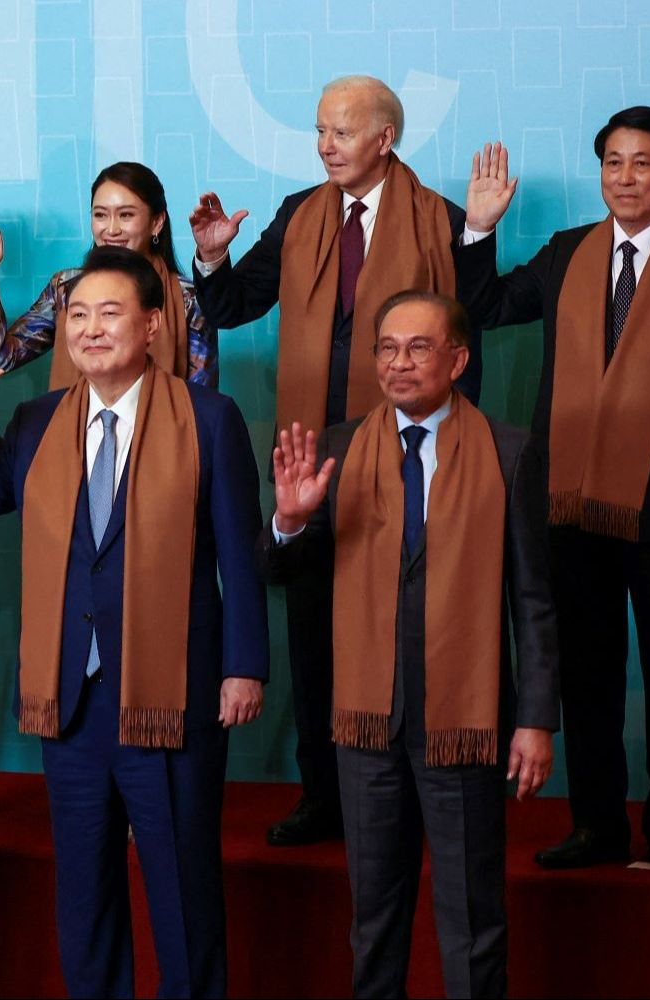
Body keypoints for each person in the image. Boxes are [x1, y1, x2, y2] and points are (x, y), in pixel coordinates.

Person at [0, 246, 268, 998]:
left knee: (182, 895)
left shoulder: (209, 419)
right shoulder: (34, 420)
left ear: (152, 325)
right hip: (72, 702)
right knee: (84, 898)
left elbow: (241, 557)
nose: (89, 330)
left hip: (171, 695)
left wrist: (244, 664)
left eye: (109, 314)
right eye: (77, 315)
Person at [187, 75, 472, 847]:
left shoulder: (442, 220)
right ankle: (323, 796)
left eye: (341, 132)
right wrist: (213, 262)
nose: (325, 146)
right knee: (313, 628)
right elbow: (235, 304)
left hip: (403, 454)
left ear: (386, 138)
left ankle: (411, 794)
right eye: (319, 131)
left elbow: (463, 338)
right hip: (310, 455)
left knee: (403, 627)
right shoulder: (299, 215)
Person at [261, 291, 558, 998]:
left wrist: (537, 720)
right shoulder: (335, 449)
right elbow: (282, 575)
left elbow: (535, 600)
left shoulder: (509, 451)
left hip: (464, 721)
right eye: (386, 349)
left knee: (472, 920)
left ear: (457, 358)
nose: (399, 363)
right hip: (366, 727)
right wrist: (290, 522)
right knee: (375, 919)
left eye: (418, 348)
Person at [456, 107, 650, 877]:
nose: (626, 178)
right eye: (612, 163)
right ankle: (597, 824)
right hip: (568, 503)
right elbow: (487, 310)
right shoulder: (568, 252)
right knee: (585, 671)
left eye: (642, 164)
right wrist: (477, 231)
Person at [0, 161, 218, 386]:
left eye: (125, 215)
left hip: (164, 444)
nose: (111, 229)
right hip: (73, 442)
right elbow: (0, 359)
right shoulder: (66, 288)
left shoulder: (188, 298)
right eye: (101, 215)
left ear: (156, 222)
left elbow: (202, 402)